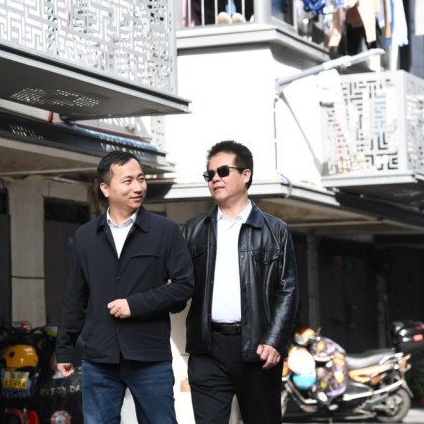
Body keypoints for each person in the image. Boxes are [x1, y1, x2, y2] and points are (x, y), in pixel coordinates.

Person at [55, 150, 194, 424]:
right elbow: (75, 297)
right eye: (128, 181)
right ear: (105, 188)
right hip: (99, 359)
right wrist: (64, 348)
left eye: (141, 179)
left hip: (149, 357)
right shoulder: (85, 236)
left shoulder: (165, 231)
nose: (138, 187)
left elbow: (184, 285)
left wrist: (134, 305)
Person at [182, 140, 299, 424]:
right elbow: (178, 283)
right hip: (207, 349)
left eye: (223, 171)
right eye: (210, 174)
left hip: (258, 349)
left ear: (246, 175)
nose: (215, 179)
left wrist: (275, 341)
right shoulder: (194, 229)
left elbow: (287, 289)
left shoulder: (275, 230)